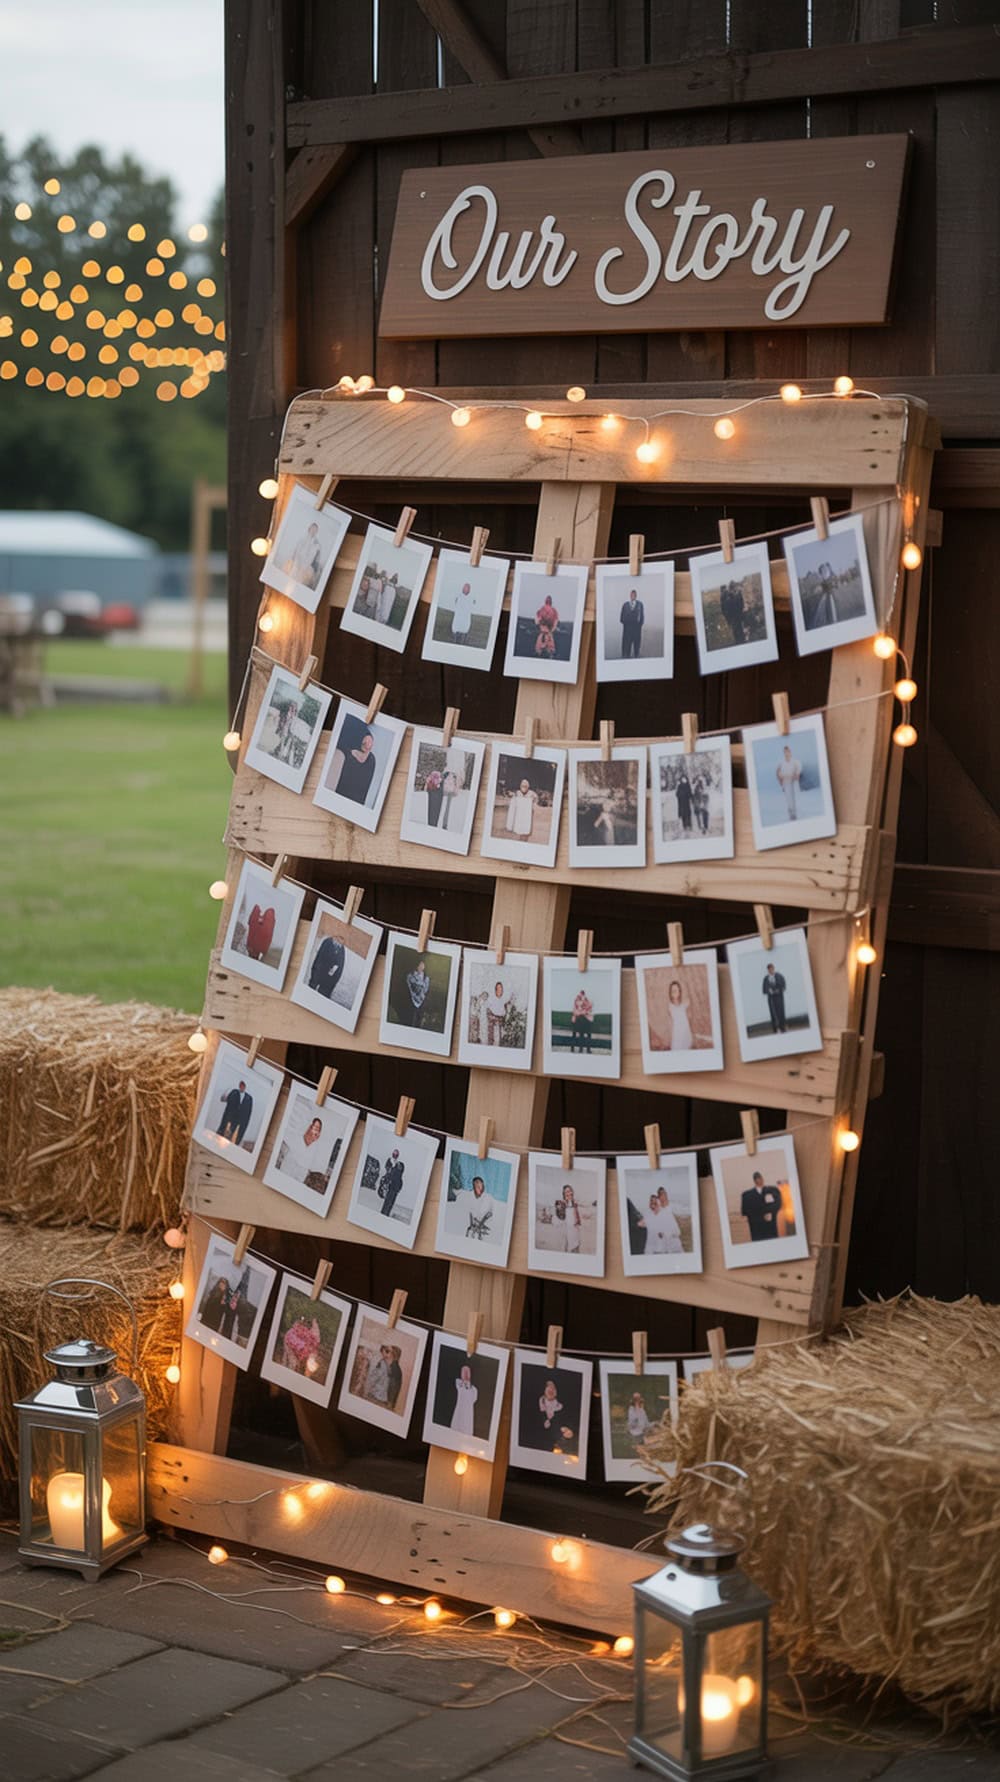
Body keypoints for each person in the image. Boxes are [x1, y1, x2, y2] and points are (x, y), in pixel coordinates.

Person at [334, 727, 377, 805]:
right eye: (364, 745)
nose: (367, 748)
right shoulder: (340, 754)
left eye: (369, 748)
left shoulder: (371, 760)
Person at [278, 1115, 326, 1186]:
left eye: (318, 1130)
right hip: (289, 1166)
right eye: (315, 1128)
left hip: (301, 1172)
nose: (316, 1132)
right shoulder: (297, 1138)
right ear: (310, 1127)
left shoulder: (316, 1148)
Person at [450, 1173, 494, 1242]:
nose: (479, 1186)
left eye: (480, 1184)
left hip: (483, 1224)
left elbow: (489, 1214)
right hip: (473, 1225)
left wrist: (480, 1225)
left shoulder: (488, 1198)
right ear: (473, 1186)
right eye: (476, 1184)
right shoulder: (469, 1196)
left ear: (483, 1185)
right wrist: (472, 1224)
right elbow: (470, 1212)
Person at [740, 1171, 782, 1242]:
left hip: (770, 1227)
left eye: (760, 1178)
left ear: (762, 1179)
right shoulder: (747, 1196)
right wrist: (758, 1215)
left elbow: (778, 1205)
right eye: (757, 1178)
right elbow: (745, 1211)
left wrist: (768, 1212)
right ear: (754, 1180)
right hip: (757, 1230)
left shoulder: (773, 1191)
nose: (759, 1180)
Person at [308, 931, 346, 1000]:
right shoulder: (327, 942)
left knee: (323, 995)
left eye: (341, 941)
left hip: (329, 979)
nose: (340, 942)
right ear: (335, 937)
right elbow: (319, 958)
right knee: (311, 989)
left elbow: (340, 964)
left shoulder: (341, 949)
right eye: (338, 939)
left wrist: (333, 972)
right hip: (319, 972)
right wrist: (315, 973)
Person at [286, 520, 323, 590]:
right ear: (309, 529)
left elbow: (314, 558)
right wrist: (294, 560)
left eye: (315, 530)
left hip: (306, 567)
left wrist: (307, 566)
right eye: (312, 529)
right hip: (297, 563)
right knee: (291, 576)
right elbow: (296, 550)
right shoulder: (302, 539)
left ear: (316, 532)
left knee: (300, 582)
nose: (313, 531)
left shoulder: (317, 544)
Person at [218, 1080, 253, 1144]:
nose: (242, 1087)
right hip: (230, 1117)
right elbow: (226, 1099)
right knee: (224, 1134)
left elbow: (248, 1112)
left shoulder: (249, 1098)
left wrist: (244, 1122)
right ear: (239, 1086)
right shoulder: (234, 1092)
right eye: (240, 1086)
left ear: (245, 1087)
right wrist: (223, 1098)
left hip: (238, 1121)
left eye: (243, 1086)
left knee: (231, 1137)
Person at [664, 978, 693, 1051]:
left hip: (685, 1030)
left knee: (686, 1047)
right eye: (673, 991)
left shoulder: (683, 1004)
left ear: (680, 991)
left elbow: (688, 1001)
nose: (675, 993)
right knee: (677, 1047)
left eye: (677, 990)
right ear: (670, 993)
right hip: (677, 1031)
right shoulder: (670, 1006)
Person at [775, 743, 802, 820]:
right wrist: (781, 780)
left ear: (790, 752)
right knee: (789, 799)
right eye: (785, 752)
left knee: (795, 798)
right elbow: (778, 772)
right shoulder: (781, 763)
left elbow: (799, 768)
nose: (787, 753)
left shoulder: (795, 761)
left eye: (788, 751)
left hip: (794, 782)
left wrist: (797, 774)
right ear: (784, 753)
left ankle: (796, 814)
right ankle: (791, 814)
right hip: (786, 782)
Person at [451, 1363, 478, 1435]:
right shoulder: (459, 1384)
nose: (465, 1374)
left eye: (467, 1372)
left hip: (468, 1412)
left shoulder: (474, 1389)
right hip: (460, 1408)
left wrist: (468, 1386)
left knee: (467, 1427)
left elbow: (474, 1399)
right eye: (464, 1371)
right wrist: (465, 1383)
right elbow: (459, 1383)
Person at [378, 1149, 406, 1219]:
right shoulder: (390, 1161)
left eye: (396, 1153)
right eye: (394, 1152)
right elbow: (388, 1170)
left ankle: (386, 1216)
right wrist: (392, 1165)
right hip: (390, 1186)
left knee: (390, 1204)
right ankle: (382, 1216)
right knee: (387, 1203)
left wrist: (399, 1187)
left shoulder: (400, 1164)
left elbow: (400, 1175)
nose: (395, 1154)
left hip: (396, 1188)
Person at [404, 956, 431, 1026]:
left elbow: (426, 990)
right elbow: (409, 987)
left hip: (421, 1003)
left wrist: (422, 997)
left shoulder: (426, 978)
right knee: (410, 1019)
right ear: (416, 965)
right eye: (419, 965)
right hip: (411, 1001)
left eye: (423, 965)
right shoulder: (410, 976)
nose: (421, 967)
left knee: (419, 1020)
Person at [762, 961, 788, 1032]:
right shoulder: (766, 979)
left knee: (781, 1012)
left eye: (772, 968)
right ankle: (775, 1028)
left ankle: (782, 1027)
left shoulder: (779, 976)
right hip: (771, 999)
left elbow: (784, 986)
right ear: (768, 970)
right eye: (769, 969)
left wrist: (778, 990)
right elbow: (764, 990)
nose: (771, 970)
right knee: (773, 1013)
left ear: (774, 968)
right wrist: (768, 991)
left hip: (779, 997)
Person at [619, 586, 645, 659]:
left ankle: (636, 657)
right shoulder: (625, 605)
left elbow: (642, 617)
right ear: (630, 596)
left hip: (636, 629)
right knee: (627, 645)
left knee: (636, 645)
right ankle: (626, 657)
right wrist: (627, 623)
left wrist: (639, 625)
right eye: (631, 595)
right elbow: (621, 618)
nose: (632, 596)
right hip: (627, 629)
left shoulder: (640, 605)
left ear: (636, 596)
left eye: (634, 595)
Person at [719, 579, 746, 644]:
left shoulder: (726, 597)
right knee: (738, 630)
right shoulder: (728, 597)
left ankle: (739, 641)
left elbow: (724, 610)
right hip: (735, 616)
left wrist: (728, 619)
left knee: (737, 630)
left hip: (733, 617)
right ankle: (741, 641)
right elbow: (739, 605)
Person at [557, 1184, 582, 1254]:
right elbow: (559, 1217)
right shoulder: (562, 1205)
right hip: (567, 1233)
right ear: (564, 1194)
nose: (569, 1193)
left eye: (570, 1191)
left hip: (575, 1232)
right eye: (567, 1192)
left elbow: (577, 1218)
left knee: (576, 1250)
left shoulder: (575, 1204)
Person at [533, 593, 559, 659]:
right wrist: (551, 630)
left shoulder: (541, 610)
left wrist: (541, 625)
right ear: (551, 602)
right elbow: (555, 622)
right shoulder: (554, 611)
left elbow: (536, 621)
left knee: (538, 651)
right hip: (549, 634)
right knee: (550, 651)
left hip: (542, 633)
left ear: (545, 601)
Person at [486, 981, 510, 1046]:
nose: (500, 990)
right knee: (493, 1043)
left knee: (500, 1042)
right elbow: (488, 1012)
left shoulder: (503, 1001)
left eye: (501, 989)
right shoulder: (491, 999)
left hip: (500, 1026)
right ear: (495, 990)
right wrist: (494, 1019)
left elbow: (504, 1014)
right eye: (498, 989)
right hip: (493, 1026)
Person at [570, 986, 593, 1052]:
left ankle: (587, 1049)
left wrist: (585, 1011)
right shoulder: (577, 1000)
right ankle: (578, 1048)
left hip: (586, 1018)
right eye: (581, 994)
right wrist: (581, 1011)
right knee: (579, 1033)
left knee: (588, 1033)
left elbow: (589, 1008)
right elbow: (576, 1010)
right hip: (579, 1019)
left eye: (583, 993)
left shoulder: (586, 1000)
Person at [675, 768, 694, 833]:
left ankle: (689, 825)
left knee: (688, 814)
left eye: (685, 779)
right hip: (681, 803)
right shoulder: (679, 786)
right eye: (683, 779)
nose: (684, 780)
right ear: (681, 779)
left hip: (687, 803)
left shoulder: (688, 785)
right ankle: (685, 826)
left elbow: (690, 794)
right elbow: (677, 794)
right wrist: (680, 795)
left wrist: (691, 797)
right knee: (683, 815)